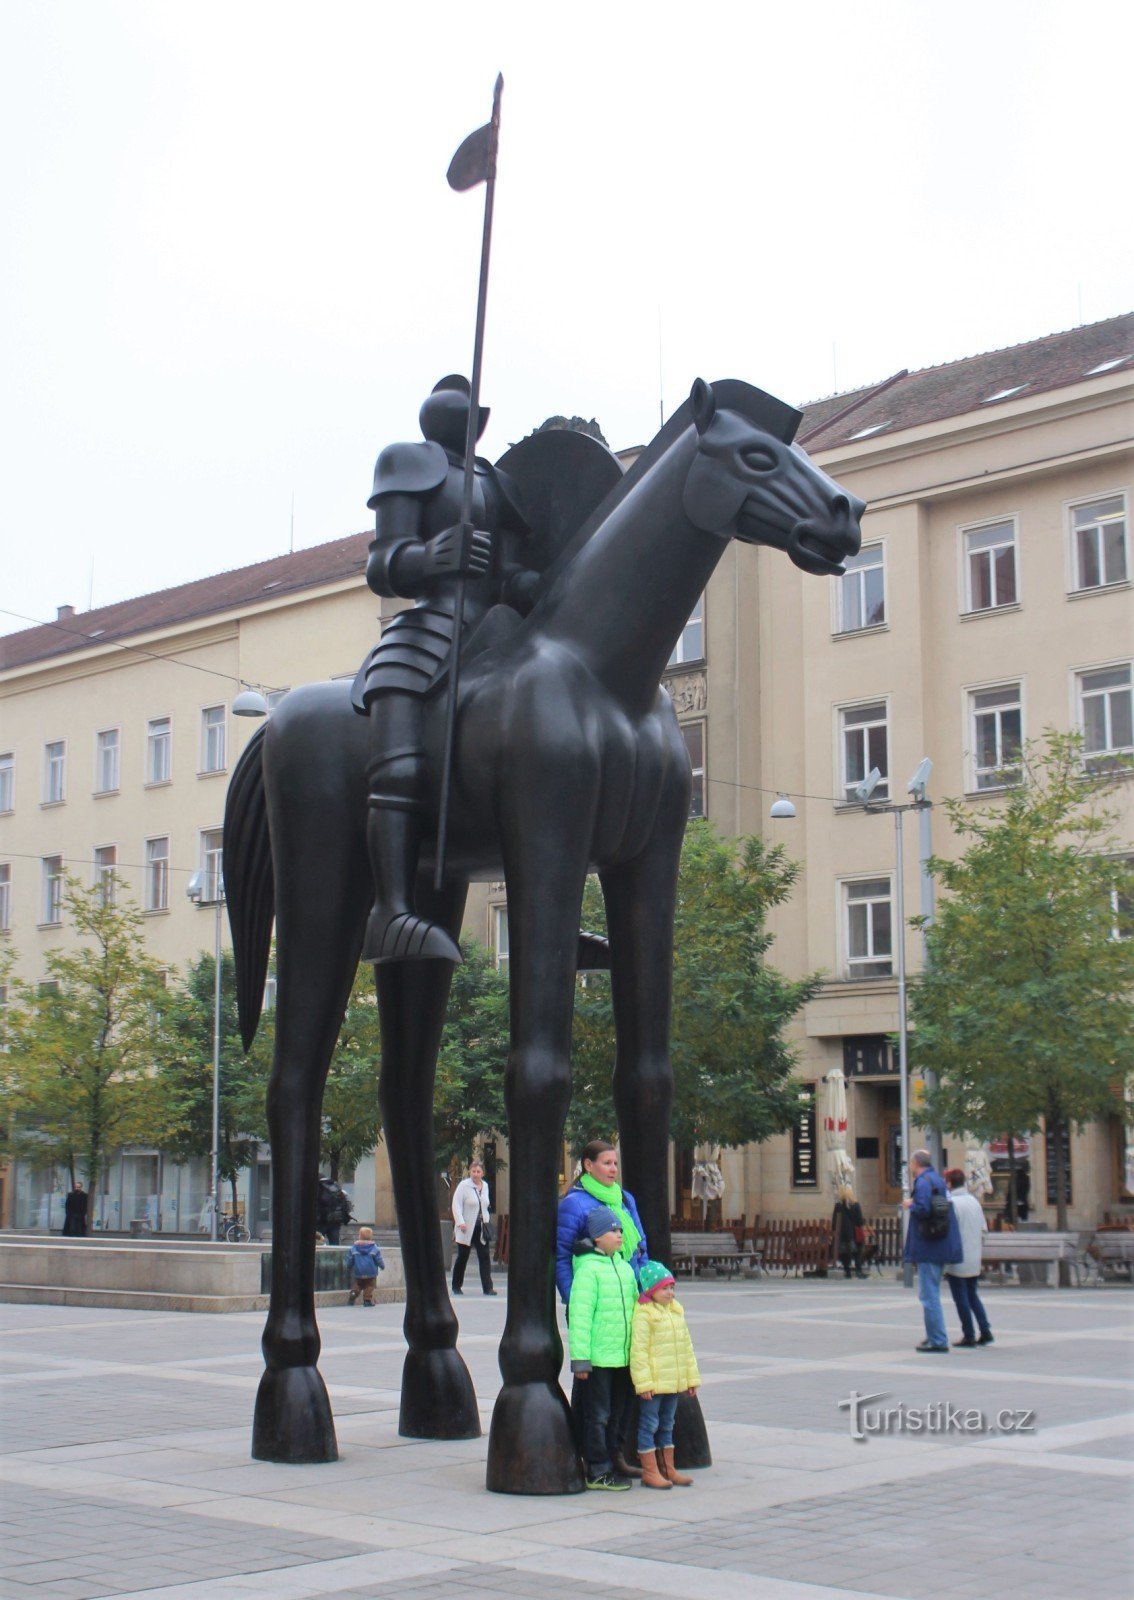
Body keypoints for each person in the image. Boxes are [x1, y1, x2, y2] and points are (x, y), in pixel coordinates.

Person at [351, 375, 540, 965]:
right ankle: (391, 908)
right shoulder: (405, 463)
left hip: (498, 630)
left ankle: (551, 918)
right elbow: (383, 564)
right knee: (401, 762)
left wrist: (533, 584)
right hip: (431, 624)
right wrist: (427, 558)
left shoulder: (498, 483)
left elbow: (509, 571)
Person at [557, 1139, 649, 1479]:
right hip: (594, 1304)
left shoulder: (625, 1200)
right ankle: (591, 1459)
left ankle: (615, 1454)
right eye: (607, 1163)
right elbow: (563, 1256)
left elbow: (641, 1246)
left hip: (626, 1303)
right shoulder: (575, 1204)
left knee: (623, 1392)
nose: (613, 1169)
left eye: (615, 1163)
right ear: (588, 1165)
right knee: (593, 1394)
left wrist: (645, 1291)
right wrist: (575, 1298)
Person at [567, 1206, 639, 1491]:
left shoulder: (623, 1267)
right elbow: (581, 1317)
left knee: (619, 1411)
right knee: (598, 1414)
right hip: (599, 1359)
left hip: (622, 1357)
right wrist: (580, 1360)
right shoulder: (587, 1270)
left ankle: (612, 1458)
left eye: (620, 1230)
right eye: (613, 1230)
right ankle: (596, 1467)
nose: (619, 1235)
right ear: (597, 1237)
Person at [630, 1260, 702, 1489]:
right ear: (651, 1290)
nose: (670, 1293)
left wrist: (691, 1378)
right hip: (654, 1384)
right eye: (664, 1288)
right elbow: (639, 1351)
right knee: (649, 1424)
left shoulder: (676, 1312)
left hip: (673, 1383)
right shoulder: (644, 1315)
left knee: (667, 1424)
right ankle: (650, 1471)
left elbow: (686, 1348)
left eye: (672, 1287)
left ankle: (668, 1468)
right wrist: (644, 1383)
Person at [903, 1149, 963, 1352]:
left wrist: (910, 1204)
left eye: (911, 1163)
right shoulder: (937, 1180)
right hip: (940, 1242)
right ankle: (933, 1336)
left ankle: (937, 1339)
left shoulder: (922, 1182)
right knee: (931, 1292)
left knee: (929, 1295)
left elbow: (923, 1209)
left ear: (916, 1163)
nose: (910, 1167)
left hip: (929, 1244)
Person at [942, 1168, 994, 1347]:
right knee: (973, 1295)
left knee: (961, 1297)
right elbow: (983, 1230)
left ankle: (969, 1334)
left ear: (949, 1183)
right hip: (974, 1257)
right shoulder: (974, 1202)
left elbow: (948, 1232)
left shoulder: (952, 1203)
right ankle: (985, 1330)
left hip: (958, 1258)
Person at [451, 1159, 497, 1296]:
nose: (476, 1174)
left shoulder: (485, 1186)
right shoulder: (463, 1186)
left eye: (478, 1171)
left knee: (484, 1257)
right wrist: (460, 1222)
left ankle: (488, 1288)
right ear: (470, 1172)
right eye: (473, 1171)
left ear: (483, 1173)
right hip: (466, 1228)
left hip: (481, 1228)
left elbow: (485, 1204)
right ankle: (456, 1285)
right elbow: (456, 1205)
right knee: (462, 1257)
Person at [831, 1184, 868, 1278]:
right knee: (857, 1252)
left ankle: (847, 1271)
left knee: (844, 1253)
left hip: (842, 1236)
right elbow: (860, 1221)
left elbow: (834, 1221)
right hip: (855, 1234)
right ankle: (858, 1270)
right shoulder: (856, 1205)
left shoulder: (838, 1205)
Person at [345, 1227, 386, 1307]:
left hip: (358, 1271)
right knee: (370, 1285)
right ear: (371, 1236)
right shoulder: (374, 1248)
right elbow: (378, 1259)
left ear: (359, 1236)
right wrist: (382, 1266)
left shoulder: (354, 1248)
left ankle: (353, 1293)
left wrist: (348, 1265)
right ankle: (367, 1300)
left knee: (358, 1284)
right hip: (371, 1272)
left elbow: (350, 1259)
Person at [316, 1177, 352, 1246]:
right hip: (335, 1221)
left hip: (321, 1221)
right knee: (335, 1244)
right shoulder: (335, 1186)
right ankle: (335, 1256)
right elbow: (346, 1203)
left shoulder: (319, 1187)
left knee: (318, 1243)